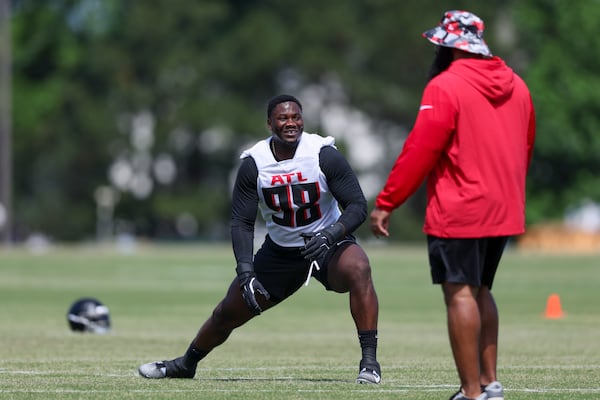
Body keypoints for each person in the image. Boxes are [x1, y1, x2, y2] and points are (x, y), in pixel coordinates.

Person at [139, 94, 381, 384]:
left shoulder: (322, 154)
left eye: (295, 117)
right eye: (283, 118)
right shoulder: (255, 164)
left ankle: (369, 362)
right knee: (227, 313)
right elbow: (241, 221)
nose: (291, 123)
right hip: (280, 251)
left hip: (326, 243)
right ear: (269, 124)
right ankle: (186, 364)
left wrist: (330, 234)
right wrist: (245, 269)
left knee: (359, 267)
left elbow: (357, 205)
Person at [370, 10, 535, 400]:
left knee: (459, 293)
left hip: (460, 207)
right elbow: (524, 148)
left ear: (448, 47)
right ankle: (490, 383)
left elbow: (420, 149)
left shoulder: (445, 86)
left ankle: (471, 392)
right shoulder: (519, 86)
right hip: (503, 207)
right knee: (480, 290)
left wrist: (387, 201)